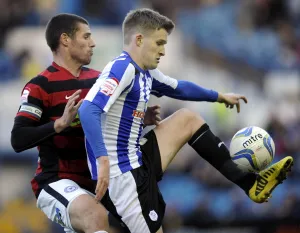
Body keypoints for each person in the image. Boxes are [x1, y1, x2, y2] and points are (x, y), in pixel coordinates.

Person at [78, 8, 293, 233]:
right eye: (159, 43)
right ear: (139, 40)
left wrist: (218, 96)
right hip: (120, 175)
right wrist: (102, 160)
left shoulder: (144, 72)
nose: (163, 51)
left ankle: (251, 184)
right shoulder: (122, 67)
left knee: (187, 119)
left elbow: (179, 88)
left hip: (136, 159)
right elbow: (88, 110)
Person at [10, 13, 161, 233]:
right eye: (86, 36)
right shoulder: (39, 86)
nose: (93, 43)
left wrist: (138, 118)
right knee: (94, 214)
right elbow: (18, 139)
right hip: (58, 181)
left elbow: (116, 125)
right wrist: (59, 124)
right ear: (65, 39)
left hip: (100, 183)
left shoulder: (101, 80)